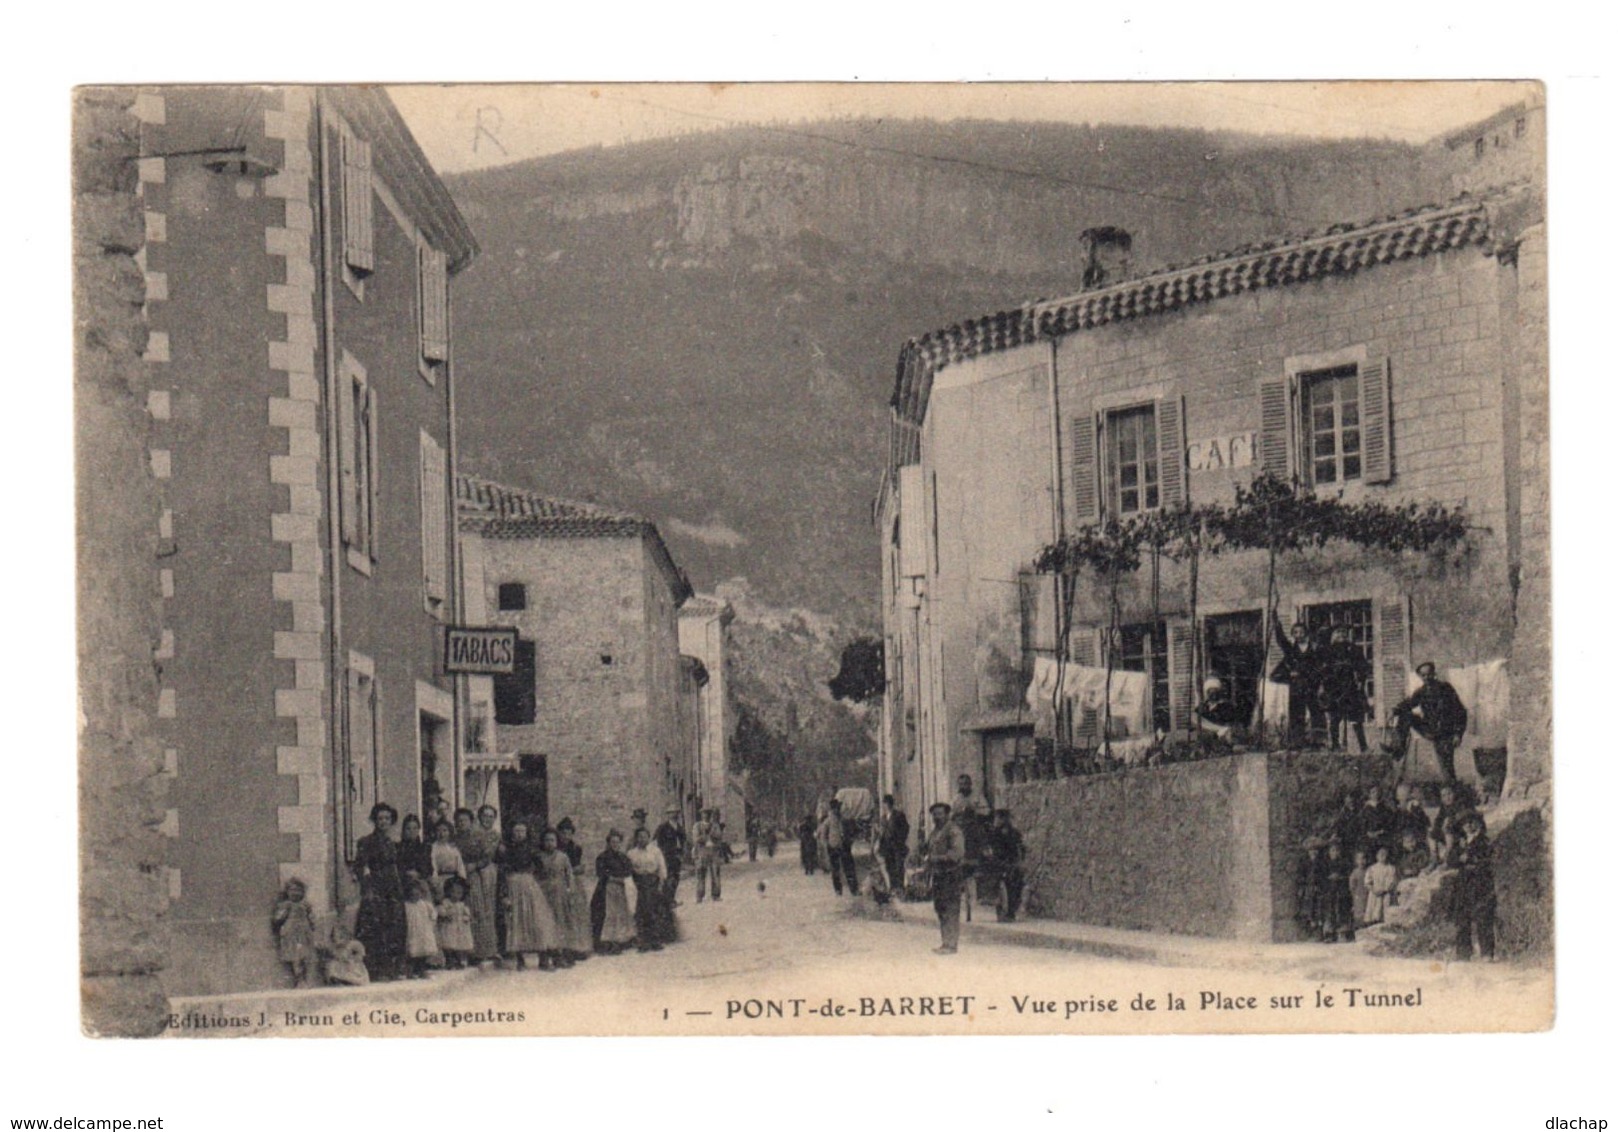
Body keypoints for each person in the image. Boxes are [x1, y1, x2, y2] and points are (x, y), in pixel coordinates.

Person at [1387, 662, 1470, 783]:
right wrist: (1394, 711)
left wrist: (1458, 734)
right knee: (1405, 714)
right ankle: (1398, 748)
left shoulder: (1446, 688)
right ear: (1420, 677)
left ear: (1434, 674)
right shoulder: (1421, 692)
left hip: (1445, 733)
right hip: (1429, 728)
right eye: (1423, 675)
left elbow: (1460, 711)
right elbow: (1408, 704)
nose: (1427, 678)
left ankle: (1453, 791)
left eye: (1429, 674)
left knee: (1447, 768)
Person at [353, 802, 406, 982]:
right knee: (376, 927)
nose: (383, 822)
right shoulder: (366, 842)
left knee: (395, 926)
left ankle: (392, 968)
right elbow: (362, 867)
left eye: (387, 819)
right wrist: (368, 889)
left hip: (393, 887)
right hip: (376, 888)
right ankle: (376, 970)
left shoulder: (393, 843)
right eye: (380, 818)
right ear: (374, 820)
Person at [500, 821, 562, 970]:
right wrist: (504, 893)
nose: (520, 834)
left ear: (527, 833)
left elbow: (541, 868)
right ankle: (520, 959)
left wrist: (533, 878)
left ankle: (543, 958)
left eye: (522, 831)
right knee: (517, 920)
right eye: (517, 831)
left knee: (537, 919)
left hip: (529, 884)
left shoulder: (532, 850)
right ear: (512, 833)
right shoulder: (506, 850)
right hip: (513, 884)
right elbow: (502, 872)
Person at [456, 804, 503, 965]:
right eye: (459, 821)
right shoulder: (456, 839)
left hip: (479, 873)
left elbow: (487, 857)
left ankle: (481, 950)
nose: (462, 823)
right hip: (461, 875)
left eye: (465, 820)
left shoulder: (482, 837)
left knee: (480, 910)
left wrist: (475, 866)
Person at [1270, 617, 1323, 747]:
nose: (1299, 635)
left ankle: (1318, 741)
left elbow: (1319, 667)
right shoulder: (1291, 650)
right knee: (1296, 713)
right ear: (1293, 635)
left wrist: (1318, 681)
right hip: (1297, 686)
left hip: (1311, 685)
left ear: (1306, 633)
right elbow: (1281, 640)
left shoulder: (1314, 649)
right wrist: (1277, 625)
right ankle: (1297, 742)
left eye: (1301, 632)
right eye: (1295, 632)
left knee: (1316, 712)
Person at [1319, 627, 1371, 753]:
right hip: (1334, 688)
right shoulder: (1327, 651)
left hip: (1351, 687)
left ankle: (1363, 747)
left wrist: (1360, 680)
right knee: (1335, 718)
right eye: (1338, 632)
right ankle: (1335, 745)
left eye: (1343, 632)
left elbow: (1363, 666)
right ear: (1333, 635)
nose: (1341, 635)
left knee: (1356, 719)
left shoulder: (1354, 649)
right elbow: (1322, 670)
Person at [925, 802, 967, 954]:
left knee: (951, 909)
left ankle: (951, 944)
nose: (936, 817)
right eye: (934, 814)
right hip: (938, 876)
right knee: (941, 908)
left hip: (951, 875)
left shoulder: (954, 831)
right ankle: (945, 942)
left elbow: (957, 854)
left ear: (947, 814)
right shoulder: (935, 832)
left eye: (940, 814)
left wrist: (937, 858)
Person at [535, 828, 579, 969]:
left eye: (552, 840)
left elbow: (569, 875)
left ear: (557, 842)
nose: (549, 843)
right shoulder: (539, 857)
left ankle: (559, 956)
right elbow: (534, 875)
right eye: (547, 840)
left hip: (560, 894)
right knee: (545, 924)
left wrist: (570, 891)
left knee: (560, 923)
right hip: (543, 893)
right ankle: (544, 958)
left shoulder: (563, 857)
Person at [554, 818, 594, 962]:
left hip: (575, 883)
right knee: (564, 915)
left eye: (569, 833)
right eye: (563, 833)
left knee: (578, 915)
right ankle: (564, 949)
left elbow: (580, 867)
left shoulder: (576, 848)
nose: (566, 836)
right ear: (559, 833)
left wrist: (577, 869)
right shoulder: (556, 849)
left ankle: (579, 947)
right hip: (561, 882)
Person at [592, 830, 638, 954]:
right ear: (608, 843)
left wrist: (625, 880)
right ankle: (609, 942)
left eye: (617, 842)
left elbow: (629, 871)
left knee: (623, 913)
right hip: (607, 888)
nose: (615, 844)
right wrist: (616, 878)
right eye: (613, 842)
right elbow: (601, 873)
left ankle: (622, 940)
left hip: (622, 889)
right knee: (610, 914)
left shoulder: (623, 857)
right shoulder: (602, 857)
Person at [627, 826, 670, 951]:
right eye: (639, 837)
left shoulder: (655, 851)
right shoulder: (631, 853)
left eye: (644, 836)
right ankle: (643, 941)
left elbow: (662, 867)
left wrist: (662, 881)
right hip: (639, 884)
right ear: (636, 838)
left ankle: (655, 940)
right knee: (640, 912)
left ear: (649, 837)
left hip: (653, 883)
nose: (642, 839)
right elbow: (629, 871)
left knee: (653, 910)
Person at [983, 809, 1027, 922]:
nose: (997, 821)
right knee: (1008, 884)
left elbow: (1021, 848)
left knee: (1015, 884)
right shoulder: (995, 833)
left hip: (1007, 862)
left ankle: (1010, 910)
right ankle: (1006, 909)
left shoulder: (1010, 833)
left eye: (999, 818)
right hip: (1000, 863)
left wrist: (1019, 860)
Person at [271, 877, 316, 987]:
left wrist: (312, 923)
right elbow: (277, 919)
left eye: (298, 890)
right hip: (291, 934)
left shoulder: (306, 905)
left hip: (304, 933)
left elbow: (311, 918)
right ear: (287, 892)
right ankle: (299, 980)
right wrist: (281, 915)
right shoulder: (286, 905)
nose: (296, 893)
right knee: (295, 958)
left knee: (305, 957)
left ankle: (305, 979)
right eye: (292, 890)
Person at [402, 875, 441, 978]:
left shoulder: (425, 904)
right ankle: (412, 970)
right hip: (412, 931)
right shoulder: (406, 906)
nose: (415, 896)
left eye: (417, 893)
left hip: (423, 930)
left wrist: (431, 923)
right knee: (413, 950)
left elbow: (433, 914)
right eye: (412, 894)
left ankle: (422, 969)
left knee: (424, 950)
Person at [817, 799, 858, 896]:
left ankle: (854, 889)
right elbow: (823, 836)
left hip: (844, 847)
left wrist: (850, 841)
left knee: (849, 868)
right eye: (836, 808)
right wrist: (828, 845)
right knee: (835, 870)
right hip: (833, 848)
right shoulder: (828, 821)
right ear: (833, 809)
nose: (838, 810)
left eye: (839, 808)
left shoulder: (843, 819)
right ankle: (838, 890)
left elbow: (851, 832)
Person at [1318, 837, 1356, 943]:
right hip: (1329, 890)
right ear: (1329, 852)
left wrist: (1340, 877)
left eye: (1337, 850)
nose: (1335, 853)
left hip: (1341, 890)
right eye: (1332, 851)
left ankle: (1342, 933)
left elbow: (1349, 875)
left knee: (1342, 910)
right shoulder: (1324, 864)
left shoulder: (1344, 863)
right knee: (1329, 910)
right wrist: (1328, 878)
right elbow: (1321, 877)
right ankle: (1329, 934)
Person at [437, 875, 475, 969]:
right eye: (453, 892)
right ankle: (449, 961)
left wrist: (466, 918)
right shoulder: (446, 902)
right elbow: (440, 910)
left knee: (459, 945)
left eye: (459, 893)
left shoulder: (462, 905)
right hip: (449, 927)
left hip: (459, 927)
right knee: (449, 944)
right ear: (448, 891)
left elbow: (467, 914)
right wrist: (445, 914)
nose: (455, 895)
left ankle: (459, 960)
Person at [876, 794, 910, 898]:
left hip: (897, 846)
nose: (886, 806)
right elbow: (882, 832)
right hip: (887, 847)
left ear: (891, 804)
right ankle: (893, 888)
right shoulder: (883, 818)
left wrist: (900, 840)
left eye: (888, 803)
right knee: (889, 866)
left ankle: (900, 888)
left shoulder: (899, 815)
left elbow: (906, 828)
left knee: (899, 866)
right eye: (884, 804)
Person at [653, 806, 686, 907]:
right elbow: (656, 841)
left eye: (676, 813)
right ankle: (667, 901)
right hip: (667, 856)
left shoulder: (680, 827)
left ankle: (672, 899)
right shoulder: (663, 827)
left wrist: (682, 853)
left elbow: (683, 840)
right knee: (668, 878)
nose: (674, 815)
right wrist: (661, 854)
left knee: (676, 878)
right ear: (668, 815)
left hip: (677, 856)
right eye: (671, 813)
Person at [428, 819, 466, 902]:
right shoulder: (433, 848)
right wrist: (435, 882)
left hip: (454, 880)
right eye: (438, 830)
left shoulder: (453, 848)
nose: (442, 834)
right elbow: (433, 865)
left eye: (445, 830)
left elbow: (460, 865)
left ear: (449, 832)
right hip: (440, 880)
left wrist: (462, 880)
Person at [1194, 678, 1243, 743]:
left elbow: (1229, 720)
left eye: (1215, 692)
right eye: (1210, 692)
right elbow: (1197, 719)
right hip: (1207, 731)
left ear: (1219, 693)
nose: (1213, 695)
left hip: (1222, 732)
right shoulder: (1203, 706)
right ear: (1207, 693)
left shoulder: (1225, 706)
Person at [396, 813, 432, 891]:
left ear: (419, 829)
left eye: (415, 828)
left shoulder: (424, 848)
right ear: (403, 830)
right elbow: (397, 867)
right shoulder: (398, 848)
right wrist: (407, 873)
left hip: (420, 882)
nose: (412, 831)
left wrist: (419, 874)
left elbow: (429, 869)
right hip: (403, 882)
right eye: (408, 828)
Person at [1362, 846, 1398, 925]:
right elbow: (1367, 881)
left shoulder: (1390, 868)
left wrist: (1385, 889)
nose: (1382, 857)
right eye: (1380, 855)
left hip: (1386, 894)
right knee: (1374, 912)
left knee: (1386, 912)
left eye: (1384, 855)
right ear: (1377, 856)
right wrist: (1373, 889)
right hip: (1375, 893)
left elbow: (1392, 881)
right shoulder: (1372, 868)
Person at [694, 809, 724, 902]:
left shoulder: (715, 826)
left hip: (714, 852)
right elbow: (695, 838)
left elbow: (719, 836)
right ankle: (700, 896)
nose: (706, 816)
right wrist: (705, 837)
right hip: (702, 852)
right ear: (701, 815)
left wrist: (712, 834)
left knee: (715, 874)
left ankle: (716, 895)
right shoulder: (697, 826)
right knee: (701, 874)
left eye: (708, 814)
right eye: (704, 814)